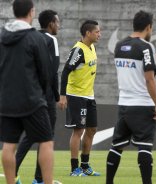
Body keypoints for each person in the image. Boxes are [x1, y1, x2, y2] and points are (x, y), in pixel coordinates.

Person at [106, 10, 156, 184]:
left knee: (117, 146)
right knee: (145, 147)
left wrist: (155, 63)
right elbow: (149, 79)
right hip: (143, 104)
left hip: (124, 104)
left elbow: (132, 72)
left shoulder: (119, 45)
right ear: (148, 27)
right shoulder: (146, 47)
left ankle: (109, 182)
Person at [0, 0, 54, 184]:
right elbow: (45, 72)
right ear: (32, 12)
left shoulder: (2, 36)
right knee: (46, 142)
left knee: (9, 145)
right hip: (32, 100)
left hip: (7, 101)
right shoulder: (36, 38)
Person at [14, 9, 60, 184]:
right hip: (45, 95)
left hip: (28, 93)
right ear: (51, 24)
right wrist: (56, 95)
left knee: (31, 136)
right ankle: (39, 179)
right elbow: (53, 70)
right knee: (46, 137)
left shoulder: (31, 37)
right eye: (57, 22)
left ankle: (14, 172)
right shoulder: (51, 40)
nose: (59, 26)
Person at [58, 20, 101, 177]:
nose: (99, 34)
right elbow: (65, 72)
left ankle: (85, 166)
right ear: (88, 33)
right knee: (79, 131)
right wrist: (63, 96)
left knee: (92, 129)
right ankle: (74, 168)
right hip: (76, 96)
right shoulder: (78, 50)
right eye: (97, 32)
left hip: (89, 95)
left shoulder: (92, 47)